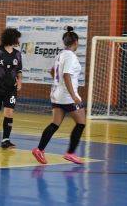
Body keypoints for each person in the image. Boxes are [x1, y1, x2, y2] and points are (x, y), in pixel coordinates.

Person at [32, 26, 86, 164]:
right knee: (81, 123)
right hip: (67, 96)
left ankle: (39, 149)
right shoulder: (71, 56)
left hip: (56, 94)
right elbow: (67, 75)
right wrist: (73, 94)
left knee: (55, 124)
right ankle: (70, 153)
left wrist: (59, 84)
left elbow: (52, 71)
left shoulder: (60, 55)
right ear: (76, 42)